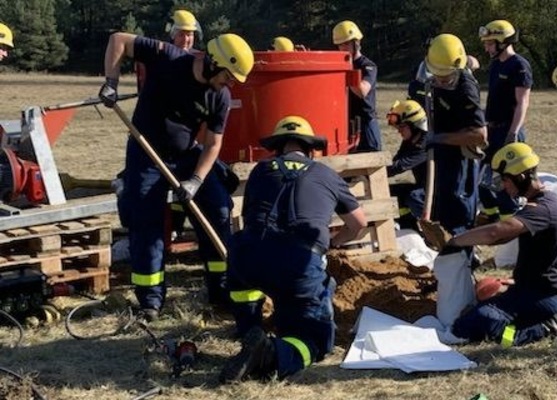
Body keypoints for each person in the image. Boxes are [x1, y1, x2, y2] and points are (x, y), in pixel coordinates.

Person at [98, 32, 255, 320]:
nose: (229, 83)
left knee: (219, 209)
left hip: (186, 155)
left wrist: (195, 181)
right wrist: (111, 82)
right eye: (228, 76)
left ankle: (220, 290)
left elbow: (213, 144)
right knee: (146, 219)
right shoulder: (169, 57)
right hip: (146, 152)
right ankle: (151, 301)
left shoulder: (220, 96)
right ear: (213, 62)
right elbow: (118, 40)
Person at [220, 116, 367, 382]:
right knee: (314, 340)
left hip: (248, 257)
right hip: (297, 265)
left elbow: (250, 215)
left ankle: (248, 329)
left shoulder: (261, 170)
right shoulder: (326, 174)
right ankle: (273, 353)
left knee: (247, 271)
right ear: (311, 150)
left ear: (277, 148)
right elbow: (359, 223)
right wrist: (334, 242)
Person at [443, 142, 557, 347]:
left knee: (468, 325)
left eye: (505, 179)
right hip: (529, 290)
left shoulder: (542, 209)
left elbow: (496, 233)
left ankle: (545, 328)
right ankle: (531, 322)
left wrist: (455, 240)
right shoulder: (544, 202)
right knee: (475, 314)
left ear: (520, 177)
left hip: (542, 295)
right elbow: (503, 237)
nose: (504, 186)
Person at [423, 33, 487, 237]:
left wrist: (440, 139)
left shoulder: (465, 90)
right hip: (443, 153)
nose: (440, 80)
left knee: (458, 206)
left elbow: (479, 135)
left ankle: (463, 247)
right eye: (437, 74)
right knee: (444, 202)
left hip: (460, 156)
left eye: (445, 76)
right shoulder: (444, 60)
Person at [478, 20, 533, 223]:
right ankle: (492, 218)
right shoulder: (495, 65)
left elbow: (522, 103)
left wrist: (512, 134)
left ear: (503, 42)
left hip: (508, 131)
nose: (486, 47)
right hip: (492, 130)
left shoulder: (519, 66)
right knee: (483, 181)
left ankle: (512, 224)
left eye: (490, 43)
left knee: (506, 182)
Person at [333, 20, 380, 152]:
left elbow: (362, 91)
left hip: (366, 123)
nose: (343, 48)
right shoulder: (338, 66)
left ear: (357, 42)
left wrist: (347, 70)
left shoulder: (368, 66)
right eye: (340, 45)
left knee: (371, 161)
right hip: (345, 123)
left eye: (346, 44)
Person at [386, 99, 428, 230]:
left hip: (440, 194)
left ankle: (438, 229)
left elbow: (399, 166)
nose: (399, 131)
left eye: (402, 127)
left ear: (415, 125)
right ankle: (409, 228)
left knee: (414, 196)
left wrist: (374, 174)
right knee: (392, 192)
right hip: (424, 187)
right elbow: (395, 161)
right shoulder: (410, 140)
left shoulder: (426, 144)